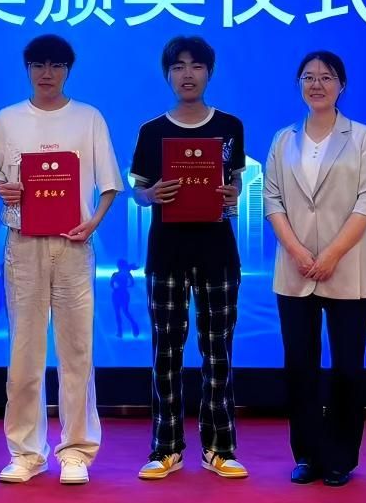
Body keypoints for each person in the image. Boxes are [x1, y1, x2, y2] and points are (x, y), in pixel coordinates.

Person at [0, 34, 122, 486]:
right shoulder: (7, 119)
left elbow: (109, 184)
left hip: (73, 244)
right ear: (27, 69)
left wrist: (93, 223)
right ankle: (26, 452)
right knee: (24, 351)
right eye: (38, 65)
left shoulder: (88, 117)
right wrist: (3, 189)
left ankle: (76, 451)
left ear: (68, 70)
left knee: (76, 351)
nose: (47, 73)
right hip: (23, 244)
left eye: (56, 65)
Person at [129, 35, 248, 481]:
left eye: (196, 66)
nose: (187, 74)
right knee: (166, 352)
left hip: (218, 252)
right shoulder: (151, 131)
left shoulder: (230, 126)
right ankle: (166, 448)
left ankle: (219, 448)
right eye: (178, 66)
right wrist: (151, 195)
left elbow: (235, 184)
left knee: (218, 353)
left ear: (209, 73)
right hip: (167, 253)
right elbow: (138, 192)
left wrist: (233, 194)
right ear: (167, 74)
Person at [264, 50, 366, 488]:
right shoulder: (283, 139)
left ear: (341, 86)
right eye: (309, 77)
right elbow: (272, 199)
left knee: (347, 369)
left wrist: (332, 253)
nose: (317, 84)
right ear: (299, 84)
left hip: (347, 269)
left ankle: (340, 458)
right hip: (294, 271)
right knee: (301, 368)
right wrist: (297, 251)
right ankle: (308, 455)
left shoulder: (363, 137)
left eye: (327, 77)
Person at [110, 259, 140, 338]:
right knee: (122, 312)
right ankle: (123, 330)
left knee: (122, 312)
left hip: (119, 294)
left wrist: (118, 287)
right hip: (120, 294)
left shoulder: (118, 274)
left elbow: (111, 284)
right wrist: (125, 286)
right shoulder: (124, 273)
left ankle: (122, 330)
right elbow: (132, 283)